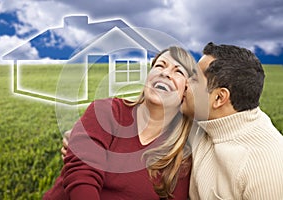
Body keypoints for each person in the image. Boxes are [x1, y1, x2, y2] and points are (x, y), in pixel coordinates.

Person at [43, 46, 197, 200]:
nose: (165, 73)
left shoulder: (180, 158)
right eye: (159, 66)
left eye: (178, 71)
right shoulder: (107, 111)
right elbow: (82, 174)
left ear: (187, 90)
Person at [182, 42, 283, 199]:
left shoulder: (267, 165)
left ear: (219, 97)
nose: (184, 82)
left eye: (194, 79)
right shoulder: (203, 122)